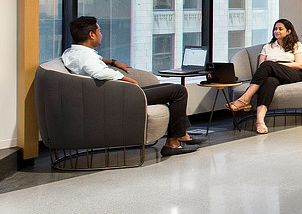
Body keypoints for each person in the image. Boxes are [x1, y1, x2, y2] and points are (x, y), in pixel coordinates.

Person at [61, 16, 200, 156]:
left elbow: (94, 61)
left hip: (114, 94)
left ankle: (182, 134)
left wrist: (113, 62)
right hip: (118, 97)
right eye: (99, 31)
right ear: (91, 35)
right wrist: (129, 80)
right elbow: (100, 73)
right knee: (179, 91)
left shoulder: (72, 52)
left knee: (169, 87)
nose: (101, 34)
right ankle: (173, 143)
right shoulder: (86, 57)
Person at [228, 19, 302, 134]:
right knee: (269, 81)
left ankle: (245, 98)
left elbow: (299, 64)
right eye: (275, 29)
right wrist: (272, 67)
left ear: (288, 31)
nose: (277, 31)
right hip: (272, 73)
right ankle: (260, 121)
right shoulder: (268, 47)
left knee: (268, 65)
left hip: (292, 72)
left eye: (280, 29)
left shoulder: (296, 45)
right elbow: (261, 66)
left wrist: (276, 65)